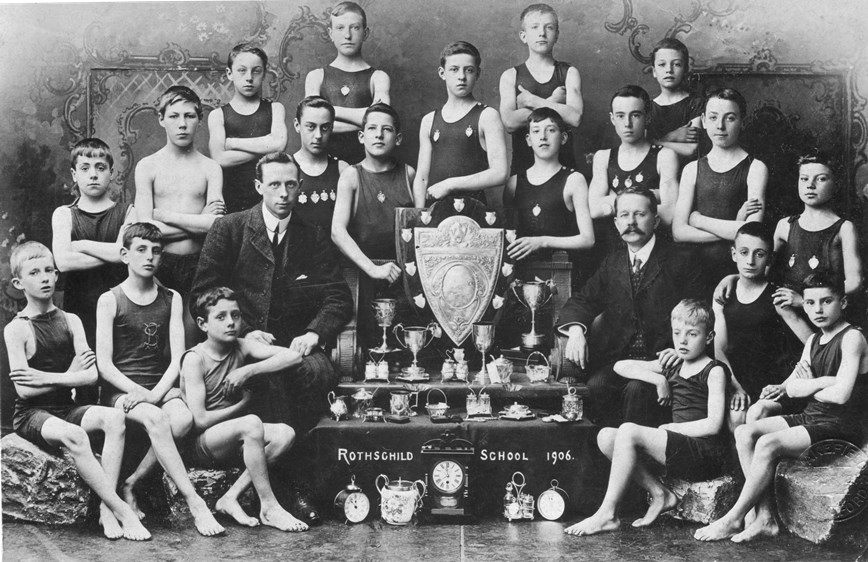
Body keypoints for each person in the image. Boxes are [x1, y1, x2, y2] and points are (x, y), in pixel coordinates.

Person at [192, 152, 353, 525]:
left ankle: (282, 487)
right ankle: (287, 491)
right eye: (275, 184)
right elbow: (201, 292)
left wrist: (313, 333)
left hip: (295, 344)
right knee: (271, 377)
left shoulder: (312, 233)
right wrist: (243, 330)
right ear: (258, 186)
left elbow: (337, 296)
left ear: (300, 186)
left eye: (291, 184)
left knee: (318, 373)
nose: (284, 193)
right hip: (237, 344)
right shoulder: (229, 228)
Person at [695, 272, 867, 543]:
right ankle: (764, 517)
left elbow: (842, 395)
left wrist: (809, 385)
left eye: (826, 301)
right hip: (813, 416)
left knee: (766, 444)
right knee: (744, 433)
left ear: (843, 302)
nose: (817, 310)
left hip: (841, 426)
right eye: (810, 303)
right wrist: (799, 386)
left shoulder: (852, 338)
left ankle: (734, 518)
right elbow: (796, 386)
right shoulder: (813, 341)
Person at [5, 242, 151, 541]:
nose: (45, 278)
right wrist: (71, 374)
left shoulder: (71, 320)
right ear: (19, 283)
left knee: (115, 419)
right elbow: (25, 390)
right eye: (34, 272)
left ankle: (105, 510)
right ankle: (120, 509)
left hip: (65, 408)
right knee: (76, 436)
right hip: (33, 414)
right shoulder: (17, 329)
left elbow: (90, 376)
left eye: (49, 270)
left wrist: (57, 376)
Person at [96, 223, 225, 537]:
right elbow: (104, 364)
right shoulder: (110, 299)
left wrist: (155, 393)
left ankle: (131, 483)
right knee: (157, 419)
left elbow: (176, 360)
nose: (149, 257)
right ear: (125, 255)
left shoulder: (171, 297)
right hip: (122, 390)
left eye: (156, 250)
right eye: (141, 250)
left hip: (159, 387)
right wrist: (139, 392)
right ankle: (195, 502)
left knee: (181, 419)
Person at [565, 299, 729, 536]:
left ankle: (607, 515)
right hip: (678, 447)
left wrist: (672, 428)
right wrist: (658, 379)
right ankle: (660, 493)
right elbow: (621, 366)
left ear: (709, 337)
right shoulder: (674, 366)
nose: (682, 340)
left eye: (692, 334)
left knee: (629, 430)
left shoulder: (713, 371)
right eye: (677, 333)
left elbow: (714, 425)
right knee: (606, 436)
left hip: (703, 454)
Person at [556, 188, 703, 426]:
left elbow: (699, 312)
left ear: (655, 220)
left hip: (664, 360)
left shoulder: (680, 260)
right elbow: (583, 299)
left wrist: (681, 349)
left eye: (639, 214)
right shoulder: (612, 262)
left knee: (638, 390)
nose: (631, 222)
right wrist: (575, 331)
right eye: (624, 215)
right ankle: (607, 458)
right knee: (596, 385)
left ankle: (634, 457)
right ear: (615, 222)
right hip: (621, 361)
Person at [180, 287, 307, 532]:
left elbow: (293, 357)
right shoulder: (195, 359)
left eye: (235, 315)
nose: (231, 323)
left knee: (285, 434)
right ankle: (269, 506)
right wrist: (242, 405)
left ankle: (230, 496)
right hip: (203, 445)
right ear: (202, 324)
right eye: (221, 317)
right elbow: (199, 420)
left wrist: (248, 370)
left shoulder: (242, 346)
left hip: (236, 439)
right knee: (251, 423)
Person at [134, 86, 225, 343]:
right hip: (159, 265)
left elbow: (216, 226)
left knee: (192, 334)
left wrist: (164, 216)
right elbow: (145, 231)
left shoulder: (211, 168)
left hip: (200, 264)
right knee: (159, 338)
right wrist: (199, 222)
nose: (182, 124)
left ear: (199, 119)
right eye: (174, 116)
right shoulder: (148, 167)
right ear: (161, 119)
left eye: (190, 116)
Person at [52, 138, 133, 404]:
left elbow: (128, 257)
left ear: (112, 173)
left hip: (120, 305)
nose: (94, 174)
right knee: (85, 372)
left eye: (100, 167)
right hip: (80, 304)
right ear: (74, 174)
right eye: (85, 168)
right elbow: (63, 262)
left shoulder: (127, 212)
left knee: (119, 372)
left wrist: (83, 245)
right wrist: (115, 253)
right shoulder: (64, 214)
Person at [713, 223, 813, 428]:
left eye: (759, 254)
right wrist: (735, 387)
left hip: (773, 383)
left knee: (754, 420)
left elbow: (812, 341)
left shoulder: (777, 298)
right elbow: (718, 348)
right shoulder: (725, 295)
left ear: (770, 258)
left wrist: (789, 384)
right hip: (737, 379)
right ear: (734, 254)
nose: (750, 261)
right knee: (736, 417)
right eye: (744, 252)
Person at [672, 88, 768, 292]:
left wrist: (699, 221)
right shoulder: (692, 169)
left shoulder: (756, 168)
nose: (720, 126)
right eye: (714, 117)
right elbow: (678, 232)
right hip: (693, 270)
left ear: (742, 121)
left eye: (730, 118)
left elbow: (751, 233)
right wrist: (735, 226)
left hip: (735, 272)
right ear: (704, 121)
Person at [412, 41, 509, 207]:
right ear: (442, 73)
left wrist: (450, 184)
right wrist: (420, 216)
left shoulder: (487, 116)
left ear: (477, 73)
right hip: (435, 213)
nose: (462, 77)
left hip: (474, 214)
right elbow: (422, 177)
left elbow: (500, 173)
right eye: (454, 69)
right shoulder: (429, 121)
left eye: (469, 70)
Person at [498, 3, 582, 175]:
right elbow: (510, 122)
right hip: (524, 168)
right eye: (534, 27)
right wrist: (553, 102)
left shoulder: (569, 73)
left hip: (563, 168)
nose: (542, 33)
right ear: (523, 36)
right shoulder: (510, 76)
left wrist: (533, 101)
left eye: (549, 27)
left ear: (557, 35)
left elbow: (575, 117)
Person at [304, 1, 390, 165]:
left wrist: (330, 111)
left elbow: (381, 120)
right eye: (340, 28)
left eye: (355, 27)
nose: (347, 35)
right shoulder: (316, 76)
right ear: (330, 33)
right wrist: (366, 125)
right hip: (325, 167)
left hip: (366, 166)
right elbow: (313, 123)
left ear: (365, 33)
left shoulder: (378, 77)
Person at [503, 107, 594, 261]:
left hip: (559, 272)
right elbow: (508, 235)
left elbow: (588, 239)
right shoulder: (514, 183)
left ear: (563, 138)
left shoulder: (574, 180)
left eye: (551, 130)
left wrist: (542, 241)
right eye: (536, 131)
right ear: (528, 140)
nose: (543, 137)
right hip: (520, 271)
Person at [209, 43, 288, 214]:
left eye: (256, 71)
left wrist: (233, 143)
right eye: (242, 70)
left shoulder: (276, 109)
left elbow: (279, 145)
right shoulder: (217, 115)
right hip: (232, 200)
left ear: (264, 73)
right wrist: (266, 147)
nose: (249, 77)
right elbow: (220, 159)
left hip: (269, 201)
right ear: (229, 73)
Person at [588, 86, 679, 232]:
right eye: (620, 116)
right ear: (612, 119)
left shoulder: (665, 156)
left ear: (647, 117)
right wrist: (652, 195)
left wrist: (615, 200)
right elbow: (594, 210)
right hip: (613, 245)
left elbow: (669, 214)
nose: (627, 124)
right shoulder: (603, 157)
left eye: (635, 115)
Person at [292, 96, 349, 235]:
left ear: (332, 128)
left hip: (335, 253)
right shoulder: (285, 167)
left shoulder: (343, 169)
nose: (318, 135)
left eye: (324, 127)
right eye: (310, 127)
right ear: (297, 125)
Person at [646, 38, 704, 161]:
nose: (669, 70)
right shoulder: (647, 107)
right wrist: (670, 137)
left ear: (685, 70)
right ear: (654, 71)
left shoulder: (696, 103)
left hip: (686, 171)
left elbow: (690, 149)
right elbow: (640, 148)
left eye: (676, 64)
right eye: (662, 64)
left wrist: (654, 142)